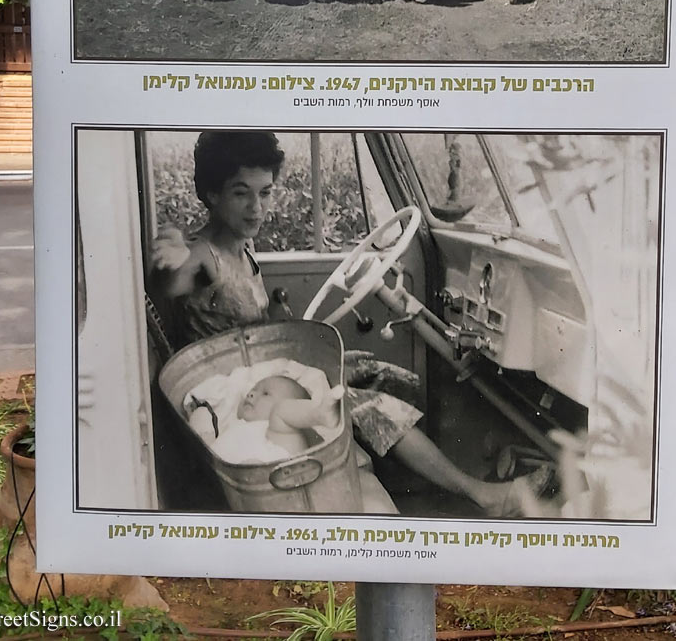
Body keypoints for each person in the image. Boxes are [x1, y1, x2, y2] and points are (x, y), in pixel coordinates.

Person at [151, 130, 550, 516]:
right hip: (234, 395)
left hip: (261, 372)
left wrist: (277, 317)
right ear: (212, 194)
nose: (257, 207)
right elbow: (175, 281)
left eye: (266, 192)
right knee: (364, 402)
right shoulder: (202, 253)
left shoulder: (244, 247)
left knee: (378, 370)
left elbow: (248, 321)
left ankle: (410, 474)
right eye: (241, 193)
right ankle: (479, 493)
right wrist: (170, 261)